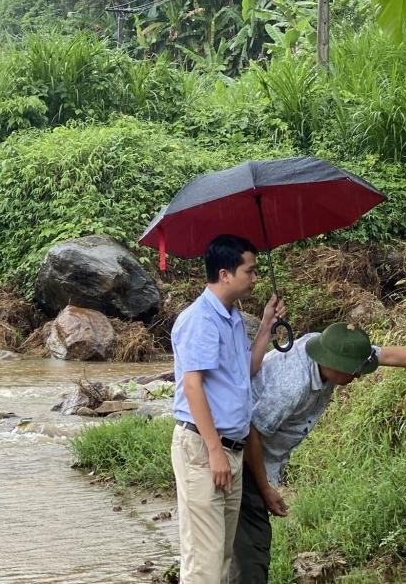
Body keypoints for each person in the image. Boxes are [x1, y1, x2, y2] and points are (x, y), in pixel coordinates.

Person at [230, 322, 406, 584]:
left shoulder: (331, 345)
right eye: (356, 372)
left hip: (253, 451)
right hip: (239, 452)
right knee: (250, 551)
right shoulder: (292, 385)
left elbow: (388, 355)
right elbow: (251, 432)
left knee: (240, 546)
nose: (360, 376)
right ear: (337, 366)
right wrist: (266, 488)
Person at [171, 234, 284, 584]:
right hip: (206, 449)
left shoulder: (233, 318)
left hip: (230, 450)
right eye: (249, 271)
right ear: (225, 274)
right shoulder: (201, 320)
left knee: (220, 556)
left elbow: (244, 371)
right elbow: (193, 387)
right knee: (202, 565)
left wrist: (265, 326)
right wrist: (215, 451)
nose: (254, 278)